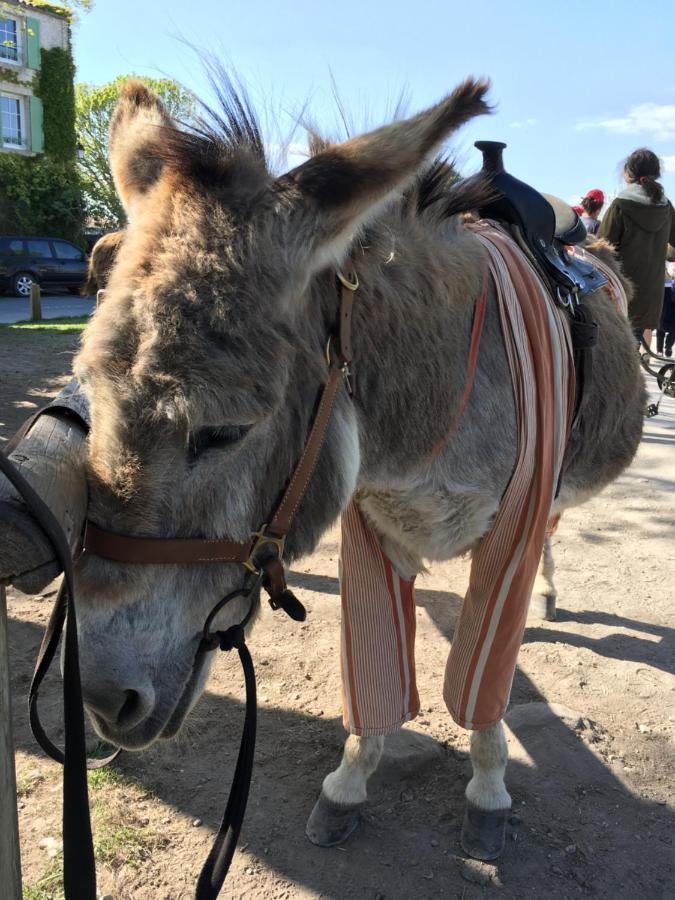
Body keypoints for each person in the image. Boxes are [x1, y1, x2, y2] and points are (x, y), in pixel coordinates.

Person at [598, 149, 675, 346]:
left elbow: (602, 248)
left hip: (621, 293)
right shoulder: (666, 207)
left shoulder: (620, 205)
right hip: (652, 297)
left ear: (628, 173)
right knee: (636, 344)